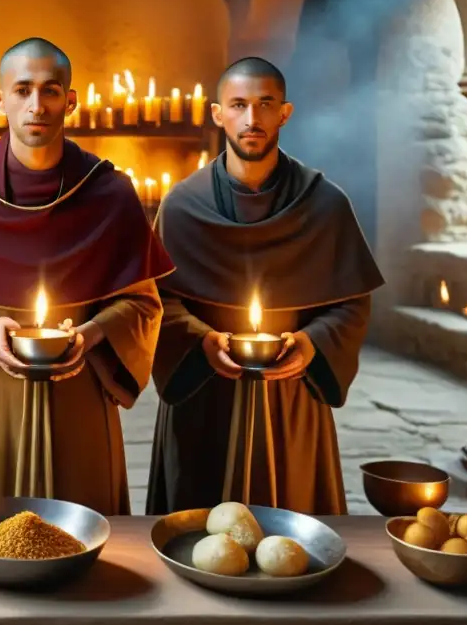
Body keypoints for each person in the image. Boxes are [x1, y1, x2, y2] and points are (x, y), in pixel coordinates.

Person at [0, 37, 173, 515]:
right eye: (22, 89)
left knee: (85, 532)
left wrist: (92, 334)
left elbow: (144, 304)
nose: (36, 104)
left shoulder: (110, 193)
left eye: (50, 91)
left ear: (70, 100)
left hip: (80, 394)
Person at [146, 56, 384, 515]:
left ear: (284, 113)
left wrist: (312, 346)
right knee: (197, 533)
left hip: (289, 397)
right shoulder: (181, 205)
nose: (251, 119)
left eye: (264, 104)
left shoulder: (326, 205)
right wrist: (202, 341)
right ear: (218, 114)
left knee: (290, 534)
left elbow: (351, 304)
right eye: (238, 104)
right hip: (204, 397)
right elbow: (158, 300)